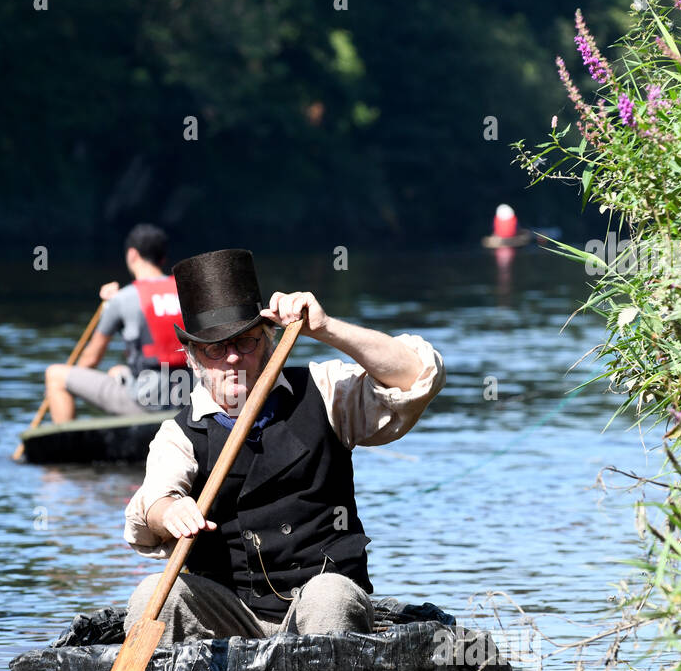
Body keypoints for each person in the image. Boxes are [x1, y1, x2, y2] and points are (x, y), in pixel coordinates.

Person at [122, 248, 445, 647]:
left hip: (323, 605)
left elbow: (416, 378)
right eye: (215, 348)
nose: (234, 358)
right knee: (154, 597)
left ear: (269, 341)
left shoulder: (324, 390)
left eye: (247, 342)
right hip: (231, 613)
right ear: (192, 357)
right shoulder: (179, 435)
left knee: (329, 597)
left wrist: (326, 329)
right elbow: (150, 504)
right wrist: (170, 511)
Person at [45, 224, 190, 422]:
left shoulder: (122, 298)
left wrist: (109, 307)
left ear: (132, 255)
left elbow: (90, 361)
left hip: (147, 403)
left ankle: (64, 445)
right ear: (163, 258)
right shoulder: (187, 292)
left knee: (56, 376)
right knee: (117, 371)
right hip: (187, 397)